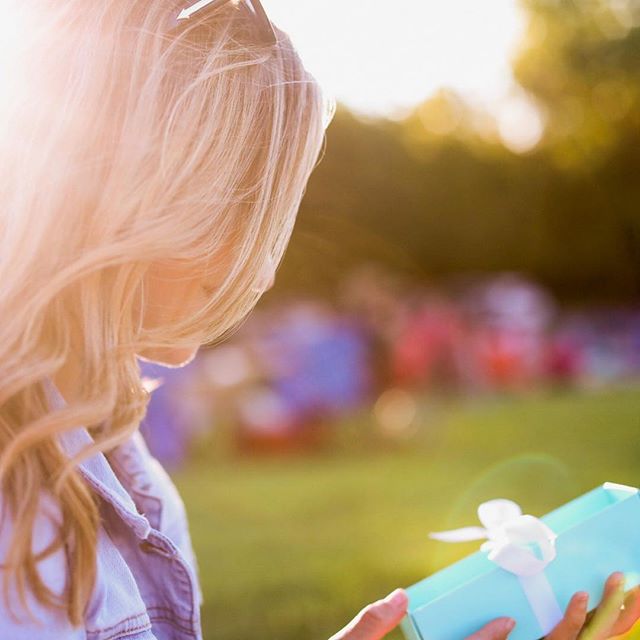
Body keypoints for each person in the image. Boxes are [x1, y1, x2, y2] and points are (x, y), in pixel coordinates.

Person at [0, 1, 638, 639]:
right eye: (243, 207)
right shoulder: (19, 504)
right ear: (138, 191)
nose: (263, 269)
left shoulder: (120, 451)